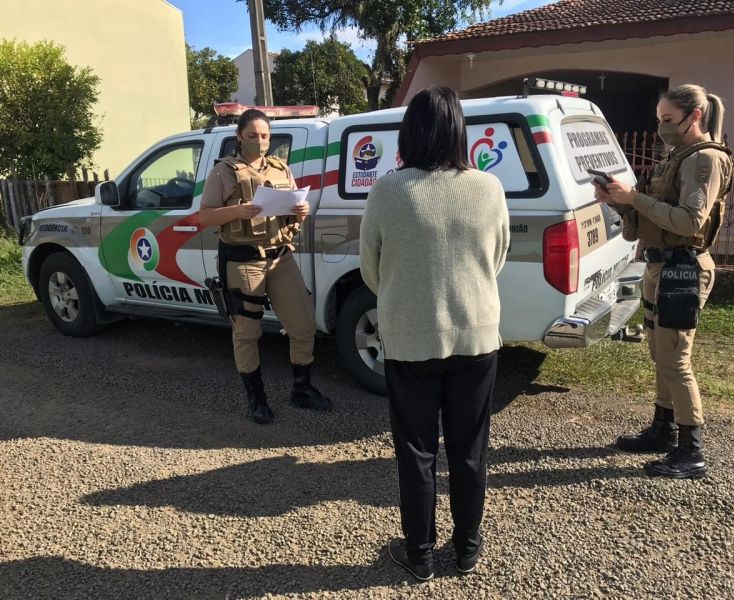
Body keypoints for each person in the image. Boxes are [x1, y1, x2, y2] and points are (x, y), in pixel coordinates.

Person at [360, 86, 510, 580]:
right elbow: (498, 257)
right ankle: (467, 548)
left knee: (416, 451)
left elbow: (370, 270)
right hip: (477, 335)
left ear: (410, 131)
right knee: (470, 449)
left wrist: (407, 296)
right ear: (458, 130)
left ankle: (419, 555)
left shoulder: (387, 190)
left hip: (410, 338)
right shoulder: (489, 188)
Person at [594, 84, 734, 479]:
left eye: (668, 120)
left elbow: (691, 221)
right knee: (660, 353)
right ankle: (664, 428)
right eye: (658, 120)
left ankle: (692, 451)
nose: (661, 129)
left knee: (675, 359)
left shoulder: (705, 160)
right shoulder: (677, 157)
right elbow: (653, 218)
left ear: (695, 116)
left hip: (683, 269)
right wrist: (619, 200)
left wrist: (635, 199)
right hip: (660, 266)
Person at [198, 108, 331, 425]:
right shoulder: (224, 172)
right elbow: (204, 216)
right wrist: (239, 211)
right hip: (243, 260)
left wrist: (301, 211)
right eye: (253, 135)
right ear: (239, 137)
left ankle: (301, 388)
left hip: (280, 257)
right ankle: (256, 400)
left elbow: (295, 209)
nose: (260, 141)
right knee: (247, 333)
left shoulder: (279, 167)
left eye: (265, 136)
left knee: (302, 325)